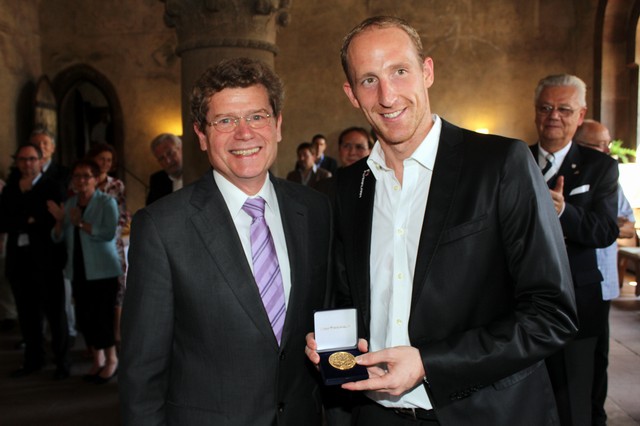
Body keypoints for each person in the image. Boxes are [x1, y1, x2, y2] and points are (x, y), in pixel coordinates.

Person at [305, 16, 577, 426]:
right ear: (351, 94)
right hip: (375, 415)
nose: (387, 95)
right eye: (368, 80)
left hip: (484, 412)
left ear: (426, 72)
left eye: (400, 71)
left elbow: (551, 314)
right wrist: (329, 346)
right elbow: (347, 300)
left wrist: (429, 363)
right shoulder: (346, 188)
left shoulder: (500, 165)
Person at [120, 57, 331, 425]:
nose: (244, 133)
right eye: (226, 121)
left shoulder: (315, 210)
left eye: (257, 116)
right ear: (201, 135)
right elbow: (143, 373)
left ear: (278, 125)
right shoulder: (162, 227)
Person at [530, 75, 619, 426]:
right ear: (536, 112)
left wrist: (564, 211)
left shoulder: (600, 168)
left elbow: (605, 230)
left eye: (564, 109)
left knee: (577, 401)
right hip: (521, 305)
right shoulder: (514, 159)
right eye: (546, 107)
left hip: (578, 305)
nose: (554, 116)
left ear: (580, 115)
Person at [573, 118, 635, 425]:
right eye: (599, 145)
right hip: (576, 281)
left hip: (603, 280)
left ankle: (596, 416)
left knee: (598, 359)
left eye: (607, 144)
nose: (606, 151)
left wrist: (603, 224)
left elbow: (624, 225)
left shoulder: (609, 176)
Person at [48, 159, 122, 385]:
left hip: (103, 269)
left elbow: (108, 233)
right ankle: (97, 359)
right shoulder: (70, 203)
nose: (80, 181)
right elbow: (57, 237)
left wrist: (81, 224)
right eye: (77, 176)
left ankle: (112, 360)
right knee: (86, 318)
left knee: (102, 317)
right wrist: (60, 222)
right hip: (79, 268)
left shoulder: (106, 202)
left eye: (86, 176)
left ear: (96, 178)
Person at [0, 143, 70, 380]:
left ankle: (62, 362)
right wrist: (29, 218)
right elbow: (3, 222)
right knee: (27, 315)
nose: (27, 164)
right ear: (17, 162)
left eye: (31, 159)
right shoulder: (10, 189)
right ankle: (33, 359)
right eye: (22, 159)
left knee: (55, 314)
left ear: (41, 161)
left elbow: (54, 219)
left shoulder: (53, 186)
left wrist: (26, 218)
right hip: (19, 262)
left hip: (47, 261)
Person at [85, 143, 130, 349]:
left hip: (113, 241)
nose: (105, 163)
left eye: (109, 160)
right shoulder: (84, 182)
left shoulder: (116, 185)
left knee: (118, 286)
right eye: (102, 159)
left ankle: (117, 332)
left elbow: (122, 214)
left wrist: (112, 233)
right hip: (89, 242)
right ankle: (96, 340)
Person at [146, 133, 183, 205]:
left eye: (170, 153)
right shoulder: (157, 181)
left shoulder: (197, 173)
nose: (168, 161)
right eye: (161, 158)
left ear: (181, 149)